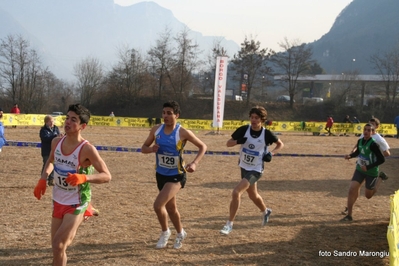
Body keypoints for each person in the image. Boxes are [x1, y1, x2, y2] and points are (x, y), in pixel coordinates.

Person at [33, 103, 112, 265]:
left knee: (58, 244)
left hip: (77, 202)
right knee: (58, 248)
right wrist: (43, 178)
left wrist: (84, 178)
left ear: (83, 126)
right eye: (67, 118)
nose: (67, 122)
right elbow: (50, 161)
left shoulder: (87, 149)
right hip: (58, 200)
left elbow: (107, 176)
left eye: (73, 120)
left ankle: (86, 209)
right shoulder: (56, 142)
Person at [141, 101, 207, 249]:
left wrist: (195, 163)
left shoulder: (182, 132)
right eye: (164, 113)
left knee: (158, 205)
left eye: (169, 113)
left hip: (177, 175)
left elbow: (203, 146)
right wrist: (152, 149)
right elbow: (143, 148)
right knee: (171, 208)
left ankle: (165, 232)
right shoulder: (156, 130)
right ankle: (180, 233)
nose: (165, 116)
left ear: (176, 115)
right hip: (161, 174)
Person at [219, 106, 284, 235]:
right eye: (252, 117)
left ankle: (229, 224)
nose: (253, 120)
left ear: (262, 120)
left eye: (256, 118)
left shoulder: (266, 134)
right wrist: (238, 141)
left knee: (236, 192)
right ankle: (266, 211)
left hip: (256, 169)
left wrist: (271, 154)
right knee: (253, 195)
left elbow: (280, 144)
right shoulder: (244, 130)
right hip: (244, 166)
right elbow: (228, 143)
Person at [340, 123, 386, 222]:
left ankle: (381, 178)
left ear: (372, 133)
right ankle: (349, 215)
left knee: (368, 195)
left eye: (369, 130)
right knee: (352, 189)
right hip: (360, 170)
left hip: (371, 172)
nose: (366, 131)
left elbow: (382, 159)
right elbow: (358, 152)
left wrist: (368, 167)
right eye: (365, 129)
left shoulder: (374, 144)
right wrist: (350, 156)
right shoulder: (360, 141)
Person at [40, 115, 61, 186]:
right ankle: (43, 180)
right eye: (50, 122)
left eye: (53, 121)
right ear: (46, 122)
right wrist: (55, 137)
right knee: (46, 165)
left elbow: (59, 137)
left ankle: (51, 180)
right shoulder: (43, 130)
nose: (52, 123)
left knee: (54, 165)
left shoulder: (56, 128)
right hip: (46, 151)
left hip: (55, 150)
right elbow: (45, 138)